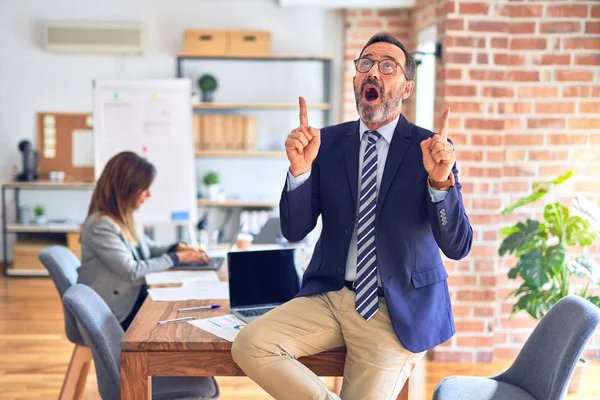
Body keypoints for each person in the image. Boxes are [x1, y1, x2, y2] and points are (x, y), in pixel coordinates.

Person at [231, 32, 473, 400]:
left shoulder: (432, 148)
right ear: (356, 80)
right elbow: (295, 230)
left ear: (406, 88)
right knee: (250, 344)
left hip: (395, 309)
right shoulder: (324, 143)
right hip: (329, 297)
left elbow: (457, 246)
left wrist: (440, 183)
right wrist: (300, 172)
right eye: (366, 64)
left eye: (387, 65)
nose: (374, 71)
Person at [77, 151, 210, 331]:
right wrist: (178, 258)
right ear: (126, 189)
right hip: (115, 312)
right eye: (144, 188)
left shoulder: (123, 217)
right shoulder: (101, 226)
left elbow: (148, 249)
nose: (149, 194)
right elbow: (133, 272)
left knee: (186, 310)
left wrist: (175, 248)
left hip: (130, 298)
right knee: (179, 320)